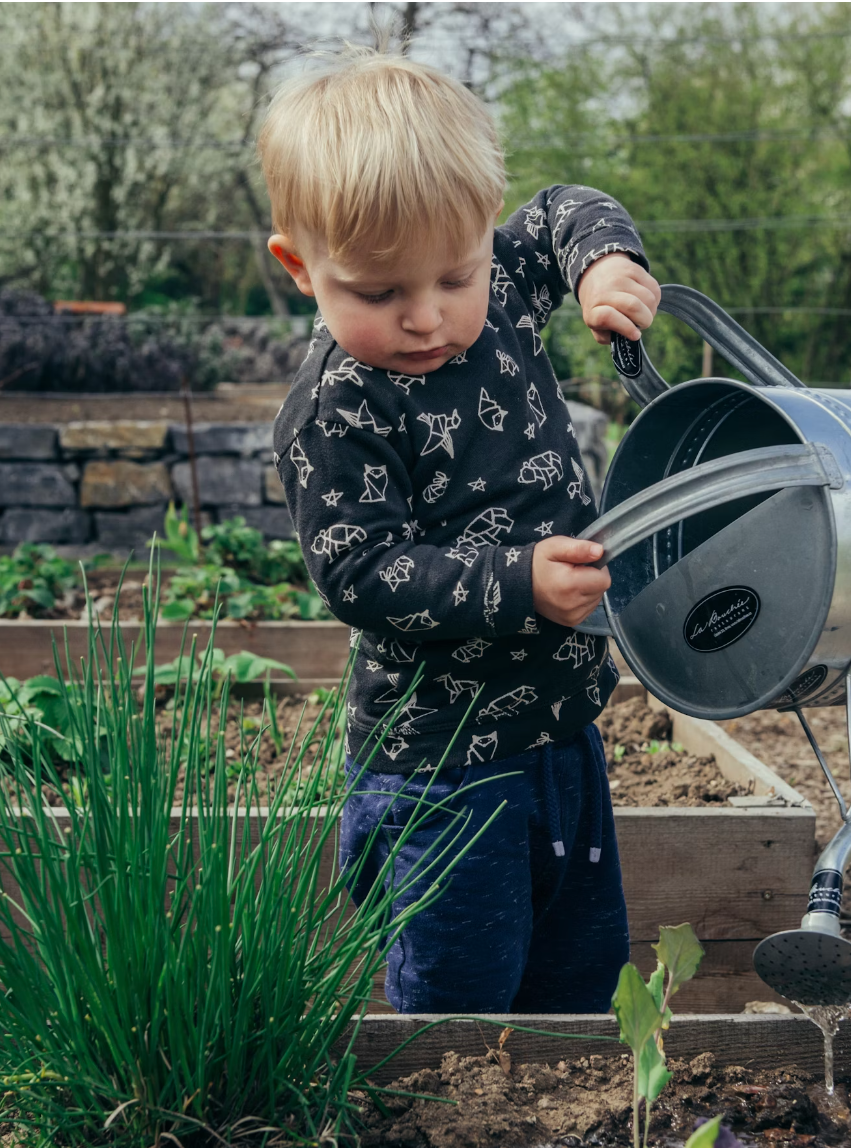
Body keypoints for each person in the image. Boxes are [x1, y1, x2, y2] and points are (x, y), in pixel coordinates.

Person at [262, 46, 660, 1014]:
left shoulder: (508, 287)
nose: (426, 317)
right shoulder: (336, 409)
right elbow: (361, 571)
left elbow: (566, 204)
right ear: (297, 266)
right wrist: (516, 581)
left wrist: (605, 262)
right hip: (441, 767)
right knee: (461, 997)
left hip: (563, 728)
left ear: (484, 233)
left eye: (454, 274)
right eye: (375, 291)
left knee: (578, 969)